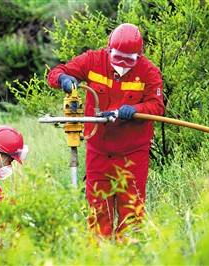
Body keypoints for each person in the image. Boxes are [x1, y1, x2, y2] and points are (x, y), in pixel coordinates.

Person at [47, 23, 164, 238]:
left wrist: (135, 109)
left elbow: (157, 106)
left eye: (129, 60)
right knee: (98, 212)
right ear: (108, 49)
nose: (121, 64)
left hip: (133, 156)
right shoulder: (92, 60)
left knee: (132, 214)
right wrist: (63, 79)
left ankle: (128, 258)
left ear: (140, 55)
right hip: (98, 153)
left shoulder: (149, 72)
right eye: (117, 57)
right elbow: (56, 73)